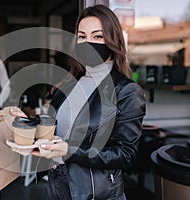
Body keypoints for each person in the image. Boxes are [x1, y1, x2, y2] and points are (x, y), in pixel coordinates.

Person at [30, 5, 146, 200]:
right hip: (58, 185)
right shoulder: (69, 84)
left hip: (95, 192)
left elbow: (126, 155)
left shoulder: (126, 91)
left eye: (97, 36)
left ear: (112, 41)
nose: (88, 42)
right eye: (82, 36)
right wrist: (24, 122)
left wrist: (70, 150)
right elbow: (55, 130)